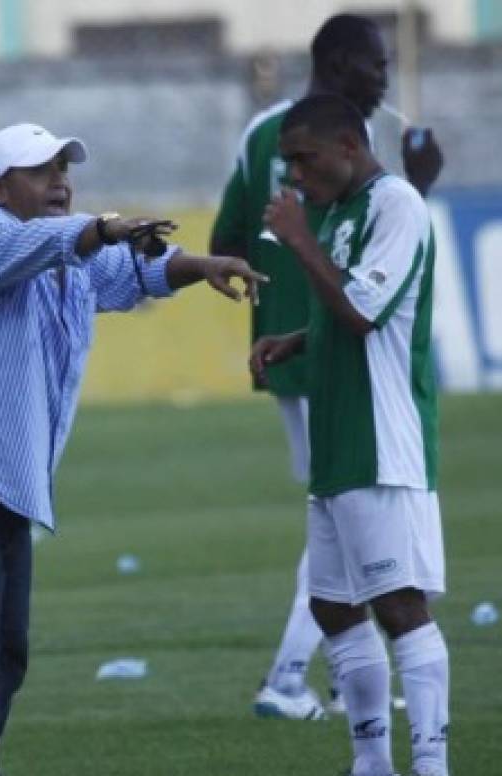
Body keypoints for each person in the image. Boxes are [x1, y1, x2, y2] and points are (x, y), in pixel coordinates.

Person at [0, 122, 265, 776]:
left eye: (64, 167)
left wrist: (200, 263)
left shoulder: (64, 255)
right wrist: (102, 227)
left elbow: (132, 276)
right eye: (40, 169)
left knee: (3, 656)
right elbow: (66, 246)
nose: (59, 179)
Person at [210, 13, 444, 720]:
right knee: (347, 517)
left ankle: (344, 683)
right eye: (375, 65)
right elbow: (376, 259)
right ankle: (287, 677)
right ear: (340, 64)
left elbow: (226, 244)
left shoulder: (258, 135)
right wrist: (420, 185)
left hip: (306, 347)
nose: (384, 78)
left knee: (337, 516)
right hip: (341, 358)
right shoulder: (320, 137)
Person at [251, 93, 452, 776]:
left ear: (345, 144)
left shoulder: (394, 205)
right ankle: (372, 765)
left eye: (302, 160)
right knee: (333, 606)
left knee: (398, 604)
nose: (294, 177)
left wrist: (298, 237)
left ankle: (430, 769)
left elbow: (366, 314)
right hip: (337, 437)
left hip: (381, 442)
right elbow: (344, 306)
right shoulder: (338, 213)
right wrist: (295, 337)